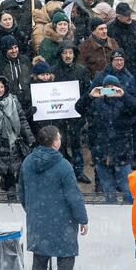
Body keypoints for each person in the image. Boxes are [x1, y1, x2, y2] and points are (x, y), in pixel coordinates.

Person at [21, 125, 89, 270]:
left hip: (38, 221)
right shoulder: (63, 166)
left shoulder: (27, 162)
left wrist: (33, 211)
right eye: (59, 137)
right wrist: (82, 219)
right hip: (62, 222)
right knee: (65, 262)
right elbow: (73, 196)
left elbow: (21, 192)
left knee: (40, 263)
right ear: (55, 142)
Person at [84, 74, 136, 200]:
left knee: (126, 187)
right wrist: (89, 95)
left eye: (113, 87)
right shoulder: (96, 103)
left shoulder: (125, 103)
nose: (110, 89)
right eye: (107, 87)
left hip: (122, 152)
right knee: (108, 188)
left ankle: (129, 211)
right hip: (101, 151)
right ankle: (111, 211)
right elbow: (79, 108)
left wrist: (124, 95)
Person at [49, 43, 91, 183]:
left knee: (76, 144)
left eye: (70, 53)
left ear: (74, 54)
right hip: (58, 115)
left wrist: (82, 110)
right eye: (64, 53)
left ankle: (78, 171)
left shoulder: (81, 70)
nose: (67, 56)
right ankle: (60, 173)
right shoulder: (53, 71)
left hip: (76, 114)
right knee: (59, 144)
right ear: (60, 55)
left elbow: (86, 92)